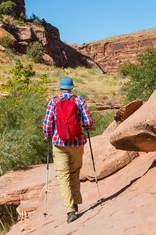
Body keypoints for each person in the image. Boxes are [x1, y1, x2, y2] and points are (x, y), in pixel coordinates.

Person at [43, 76, 94, 223]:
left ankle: (70, 210)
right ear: (72, 87)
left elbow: (47, 126)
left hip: (59, 145)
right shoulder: (79, 101)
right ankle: (76, 201)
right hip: (77, 143)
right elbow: (88, 122)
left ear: (60, 87)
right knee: (74, 172)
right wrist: (87, 128)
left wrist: (48, 137)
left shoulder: (53, 102)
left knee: (63, 176)